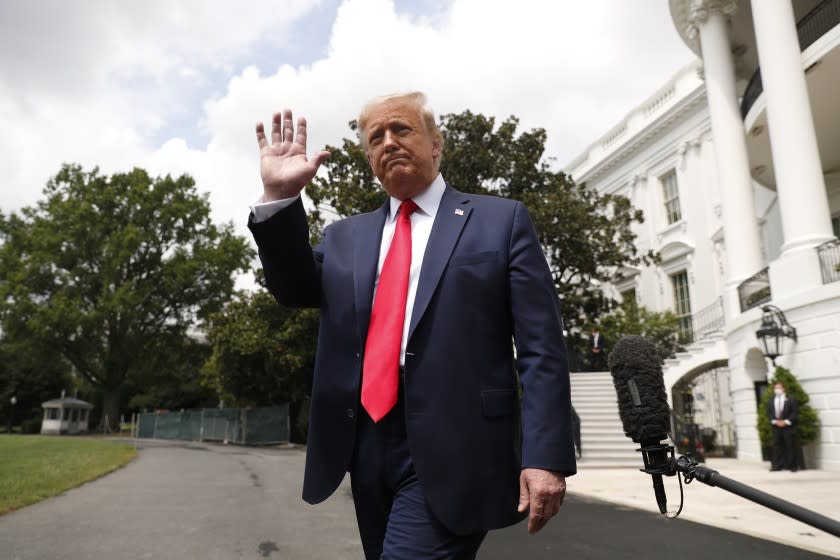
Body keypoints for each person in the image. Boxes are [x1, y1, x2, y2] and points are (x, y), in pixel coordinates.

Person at [247, 92, 576, 559]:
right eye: (376, 137)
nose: (389, 142)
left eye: (401, 129)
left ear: (436, 143)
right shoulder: (345, 237)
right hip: (364, 444)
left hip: (458, 443)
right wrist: (280, 198)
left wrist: (545, 456)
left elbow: (541, 349)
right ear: (369, 159)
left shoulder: (501, 222)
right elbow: (293, 288)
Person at [767, 381, 798, 472]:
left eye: (779, 388)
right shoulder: (771, 400)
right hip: (776, 426)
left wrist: (786, 421)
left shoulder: (791, 398)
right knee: (777, 446)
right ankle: (777, 465)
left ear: (783, 388)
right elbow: (769, 412)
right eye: (776, 388)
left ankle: (792, 466)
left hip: (788, 426)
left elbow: (795, 411)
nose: (777, 390)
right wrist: (774, 421)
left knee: (790, 446)